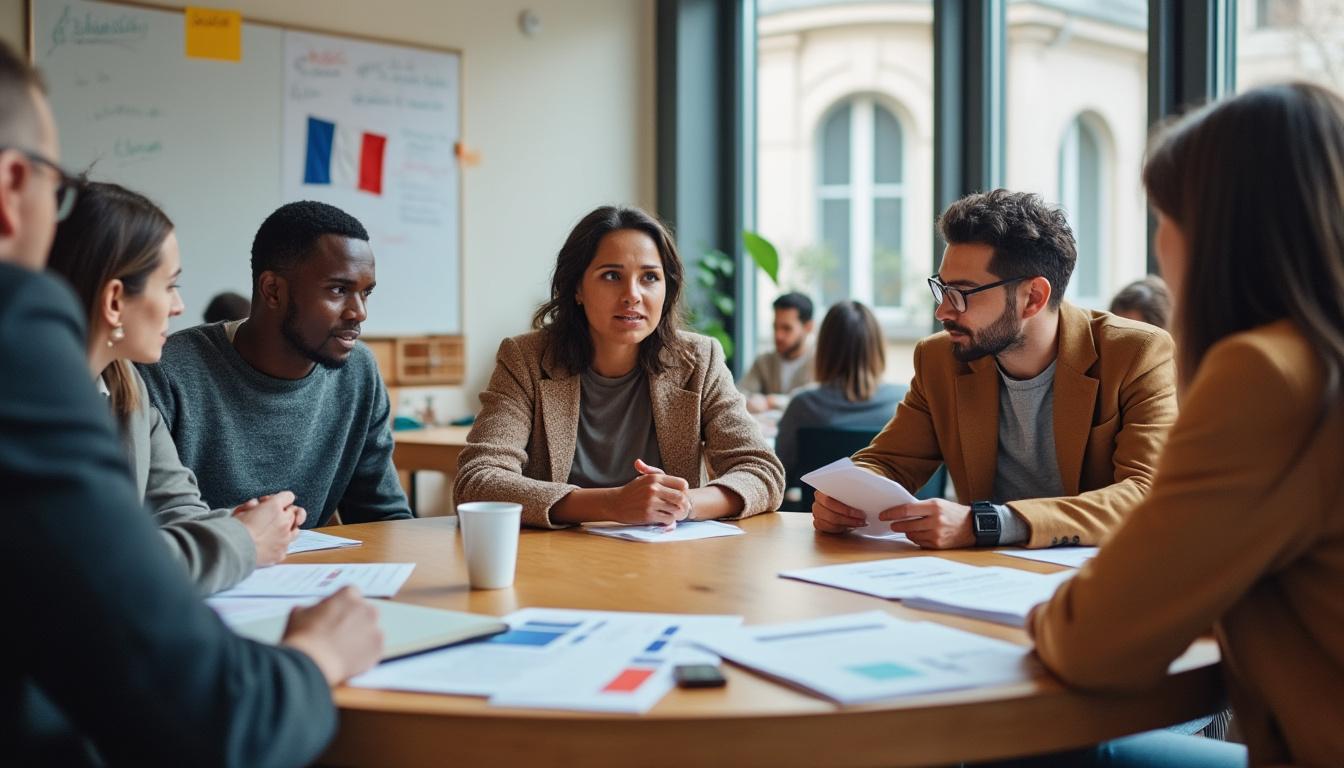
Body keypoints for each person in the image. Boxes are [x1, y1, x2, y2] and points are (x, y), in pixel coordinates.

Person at [0, 41, 380, 766]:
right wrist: (315, 653)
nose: (180, 306)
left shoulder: (124, 387)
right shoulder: (22, 351)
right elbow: (214, 719)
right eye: (57, 185)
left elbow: (171, 521)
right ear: (14, 185)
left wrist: (226, 535)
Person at [1019, 82, 1344, 768]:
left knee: (1035, 752)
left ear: (1218, 234)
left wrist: (1049, 613)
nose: (1159, 244)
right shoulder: (1318, 361)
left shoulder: (1268, 377)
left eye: (1164, 217)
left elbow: (1093, 642)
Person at [812, 189, 1178, 550]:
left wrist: (987, 523)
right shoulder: (940, 358)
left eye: (962, 293)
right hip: (985, 572)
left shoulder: (1135, 353)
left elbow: (1146, 492)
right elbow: (888, 461)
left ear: (1033, 298)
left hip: (1099, 572)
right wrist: (846, 498)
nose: (943, 311)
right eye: (942, 289)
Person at [455, 205, 784, 528]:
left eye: (650, 277)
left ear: (667, 289)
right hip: (555, 556)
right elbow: (478, 481)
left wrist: (683, 504)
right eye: (612, 276)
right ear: (577, 288)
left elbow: (762, 471)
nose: (633, 295)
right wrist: (611, 504)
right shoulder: (525, 358)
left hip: (667, 555)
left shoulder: (697, 360)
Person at [46, 180, 303, 594]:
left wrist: (241, 525)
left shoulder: (126, 385)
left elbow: (176, 508)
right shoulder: (36, 406)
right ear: (114, 302)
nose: (179, 307)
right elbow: (102, 567)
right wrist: (244, 541)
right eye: (169, 286)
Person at [138, 200, 412, 528]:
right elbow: (144, 527)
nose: (359, 312)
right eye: (339, 290)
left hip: (309, 564)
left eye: (365, 293)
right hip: (200, 560)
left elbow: (384, 518)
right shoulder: (166, 372)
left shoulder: (358, 371)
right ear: (273, 291)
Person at [774, 300, 903, 480]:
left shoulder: (803, 405)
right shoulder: (905, 402)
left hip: (818, 499)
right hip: (895, 499)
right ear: (878, 347)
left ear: (824, 349)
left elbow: (779, 473)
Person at [740, 291, 815, 413]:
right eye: (775, 327)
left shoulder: (821, 365)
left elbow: (817, 403)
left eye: (786, 328)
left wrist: (773, 401)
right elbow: (739, 394)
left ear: (808, 327)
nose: (778, 335)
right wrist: (751, 401)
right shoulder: (764, 361)